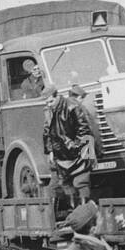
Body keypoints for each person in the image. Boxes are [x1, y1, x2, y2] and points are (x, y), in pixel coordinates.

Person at [43, 85, 94, 214]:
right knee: (65, 182)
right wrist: (50, 151)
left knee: (81, 180)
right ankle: (74, 210)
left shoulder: (72, 106)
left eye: (51, 101)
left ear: (57, 96)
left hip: (78, 149)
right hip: (61, 152)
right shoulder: (49, 111)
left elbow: (83, 128)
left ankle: (84, 210)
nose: (49, 105)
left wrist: (76, 145)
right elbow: (46, 132)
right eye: (47, 102)